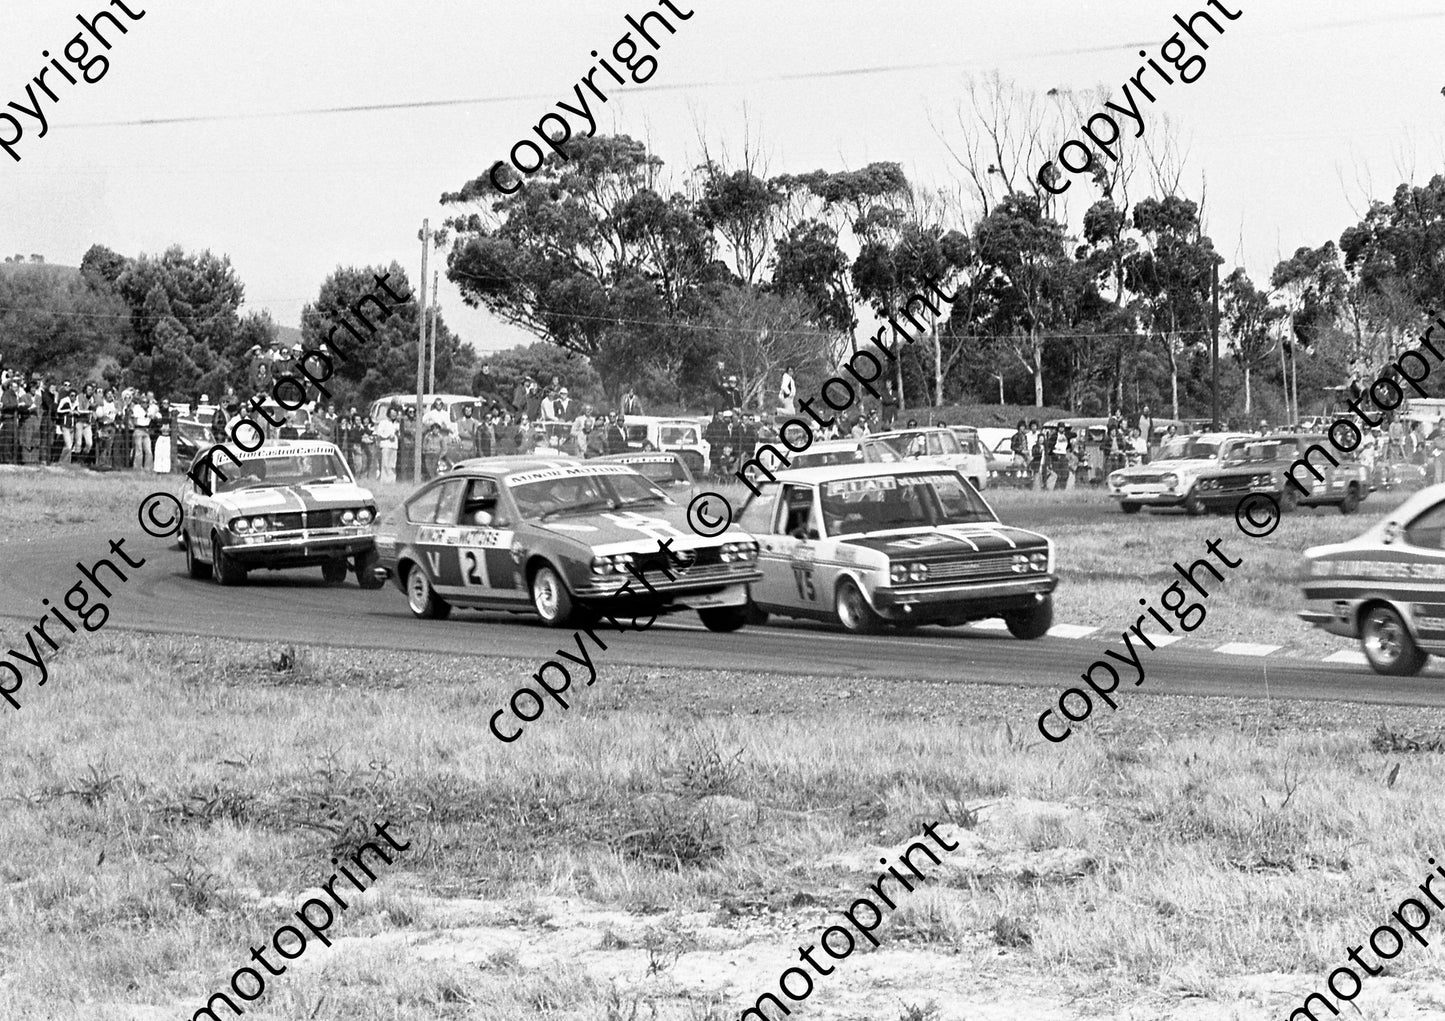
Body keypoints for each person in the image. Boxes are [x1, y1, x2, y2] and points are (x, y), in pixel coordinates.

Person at [374, 405, 400, 483]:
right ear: (389, 414)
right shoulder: (383, 422)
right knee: (385, 464)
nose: (393, 415)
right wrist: (387, 437)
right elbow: (379, 433)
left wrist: (397, 433)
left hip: (394, 446)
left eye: (395, 414)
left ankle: (392, 480)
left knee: (392, 465)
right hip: (385, 446)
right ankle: (384, 481)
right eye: (392, 414)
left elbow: (399, 435)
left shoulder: (397, 424)